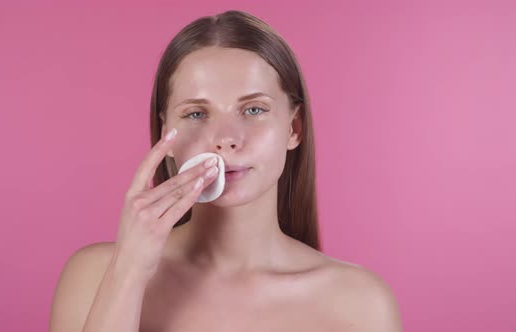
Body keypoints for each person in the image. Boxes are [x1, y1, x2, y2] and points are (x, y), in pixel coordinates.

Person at [49, 10, 403, 332]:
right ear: (166, 136)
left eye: (253, 110)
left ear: (294, 129)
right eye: (196, 114)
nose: (225, 140)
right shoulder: (95, 275)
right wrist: (128, 273)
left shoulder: (361, 303)